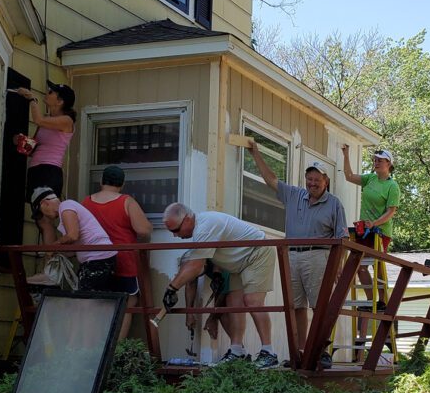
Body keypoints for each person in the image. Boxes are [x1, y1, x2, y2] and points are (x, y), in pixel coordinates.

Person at [245, 143, 346, 369]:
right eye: (309, 179)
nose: (312, 183)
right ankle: (301, 352)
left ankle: (322, 351)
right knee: (296, 306)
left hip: (319, 256)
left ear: (326, 181)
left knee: (320, 306)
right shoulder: (294, 195)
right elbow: (271, 180)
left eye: (317, 179)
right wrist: (255, 153)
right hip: (292, 256)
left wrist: (338, 265)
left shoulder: (334, 204)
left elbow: (342, 238)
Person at [162, 203, 279, 368]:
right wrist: (174, 289)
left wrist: (171, 289)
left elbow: (195, 266)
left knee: (253, 301)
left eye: (176, 230)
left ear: (187, 219)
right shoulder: (200, 229)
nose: (175, 236)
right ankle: (237, 350)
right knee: (233, 304)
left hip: (256, 252)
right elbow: (194, 269)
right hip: (239, 262)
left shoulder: (205, 227)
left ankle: (269, 353)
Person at [341, 145, 400, 353]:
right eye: (375, 159)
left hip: (380, 232)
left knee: (376, 266)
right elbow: (348, 176)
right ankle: (370, 299)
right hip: (362, 229)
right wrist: (346, 154)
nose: (376, 162)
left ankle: (382, 302)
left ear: (389, 164)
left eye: (380, 160)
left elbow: (391, 212)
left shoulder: (392, 186)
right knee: (360, 267)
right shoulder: (369, 179)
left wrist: (374, 223)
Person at [83, 165, 152, 333]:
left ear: (101, 181)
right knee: (127, 304)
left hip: (95, 261)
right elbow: (143, 230)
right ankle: (117, 350)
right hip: (124, 260)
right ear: (122, 184)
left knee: (96, 304)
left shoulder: (86, 202)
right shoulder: (126, 201)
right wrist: (142, 243)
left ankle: (96, 350)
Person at [30, 187, 116, 290]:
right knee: (93, 298)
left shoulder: (66, 206)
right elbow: (73, 250)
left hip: (98, 258)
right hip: (99, 258)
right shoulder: (66, 212)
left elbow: (72, 236)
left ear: (45, 203)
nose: (45, 216)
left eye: (41, 212)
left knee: (87, 299)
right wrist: (57, 253)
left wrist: (53, 247)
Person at [14, 82, 76, 198]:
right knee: (37, 210)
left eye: (51, 92)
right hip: (35, 169)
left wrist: (32, 99)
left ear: (60, 101)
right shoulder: (46, 120)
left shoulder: (67, 121)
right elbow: (33, 149)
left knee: (47, 209)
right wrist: (20, 140)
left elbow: (38, 120)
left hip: (50, 170)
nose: (47, 93)